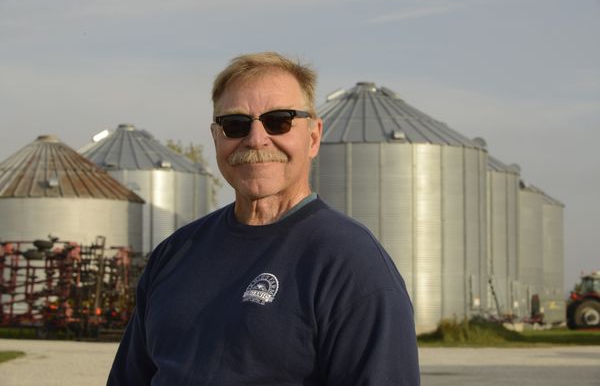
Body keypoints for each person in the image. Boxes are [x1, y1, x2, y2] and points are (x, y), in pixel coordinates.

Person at [107, 52, 420, 385]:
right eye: (236, 124)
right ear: (216, 137)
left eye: (279, 120)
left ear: (313, 137)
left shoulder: (350, 263)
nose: (256, 139)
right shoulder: (175, 253)